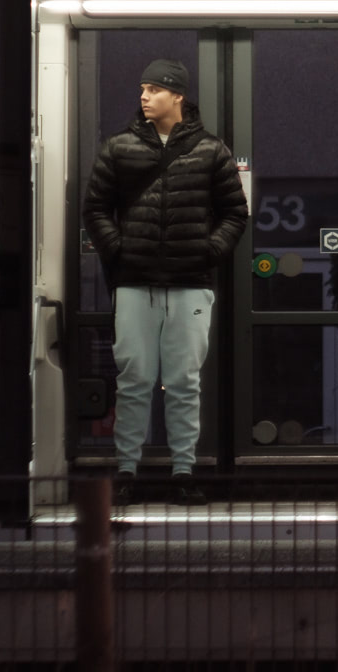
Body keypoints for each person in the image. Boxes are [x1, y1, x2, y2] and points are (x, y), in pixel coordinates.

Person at [83, 59, 246, 505]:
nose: (143, 96)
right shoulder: (118, 148)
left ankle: (182, 471)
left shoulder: (212, 150)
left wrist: (208, 252)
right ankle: (127, 470)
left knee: (183, 381)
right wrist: (119, 250)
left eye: (154, 89)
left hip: (191, 281)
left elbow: (235, 213)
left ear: (178, 96)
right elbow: (95, 209)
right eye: (142, 88)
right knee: (134, 378)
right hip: (135, 281)